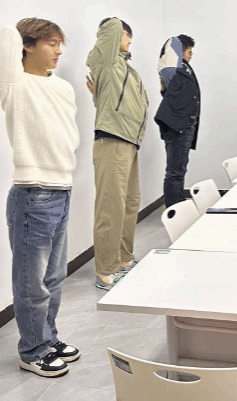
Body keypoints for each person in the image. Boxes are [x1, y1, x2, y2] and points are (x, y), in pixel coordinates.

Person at [0, 18, 81, 377]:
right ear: (27, 45)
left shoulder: (63, 87)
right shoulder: (14, 85)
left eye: (60, 44)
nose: (59, 51)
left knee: (54, 278)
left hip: (62, 188)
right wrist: (21, 31)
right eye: (51, 43)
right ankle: (32, 350)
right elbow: (3, 41)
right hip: (33, 193)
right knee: (32, 282)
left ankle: (47, 338)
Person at [86, 17, 149, 290]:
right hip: (112, 141)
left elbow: (115, 102)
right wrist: (114, 24)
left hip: (130, 142)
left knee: (129, 204)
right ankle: (106, 271)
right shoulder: (107, 60)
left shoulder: (123, 68)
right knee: (110, 207)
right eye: (126, 35)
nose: (130, 40)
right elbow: (111, 26)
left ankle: (124, 259)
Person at [155, 35, 200, 208]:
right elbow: (172, 45)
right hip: (177, 125)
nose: (191, 55)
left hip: (186, 125)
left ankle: (179, 204)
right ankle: (174, 211)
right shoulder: (171, 69)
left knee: (180, 169)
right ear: (180, 50)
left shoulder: (184, 69)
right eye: (189, 52)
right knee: (175, 171)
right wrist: (176, 42)